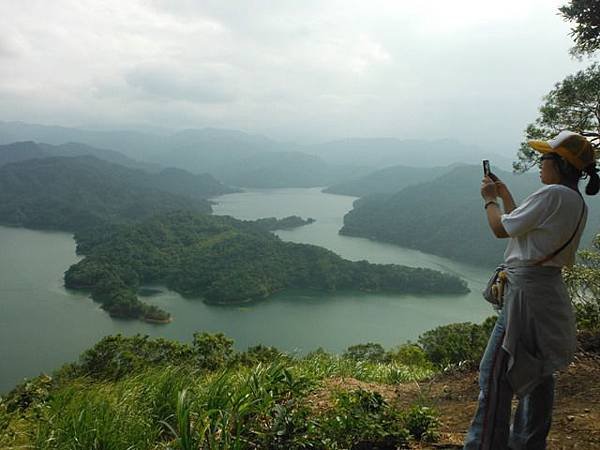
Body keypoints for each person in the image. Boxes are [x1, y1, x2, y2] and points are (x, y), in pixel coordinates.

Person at [463, 130, 599, 450]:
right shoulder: (574, 201)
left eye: (545, 158)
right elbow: (522, 229)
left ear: (562, 164)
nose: (540, 164)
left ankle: (484, 444)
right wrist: (506, 194)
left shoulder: (551, 195)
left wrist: (489, 201)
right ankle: (527, 444)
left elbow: (501, 228)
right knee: (537, 372)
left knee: (495, 374)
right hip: (547, 293)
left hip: (524, 296)